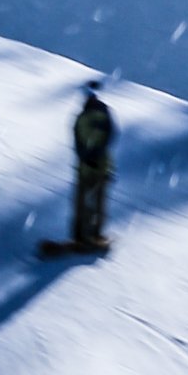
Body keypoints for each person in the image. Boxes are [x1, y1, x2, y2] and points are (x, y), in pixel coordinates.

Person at [69, 81, 117, 253]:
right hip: (96, 167)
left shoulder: (86, 117)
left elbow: (80, 142)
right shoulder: (95, 115)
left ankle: (84, 235)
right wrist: (92, 155)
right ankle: (88, 234)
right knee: (94, 201)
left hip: (91, 167)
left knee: (86, 201)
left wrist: (89, 156)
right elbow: (109, 137)